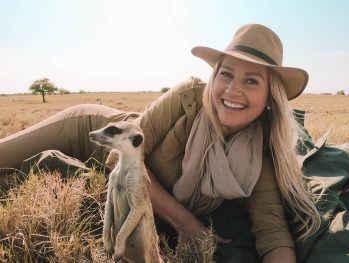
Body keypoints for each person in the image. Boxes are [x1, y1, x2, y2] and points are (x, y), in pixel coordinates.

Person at [0, 24, 321, 262]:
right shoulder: (188, 97)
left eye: (251, 80)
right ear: (214, 78)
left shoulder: (259, 155)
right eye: (226, 74)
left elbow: (272, 231)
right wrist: (185, 222)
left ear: (269, 98)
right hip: (92, 131)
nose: (232, 90)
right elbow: (124, 159)